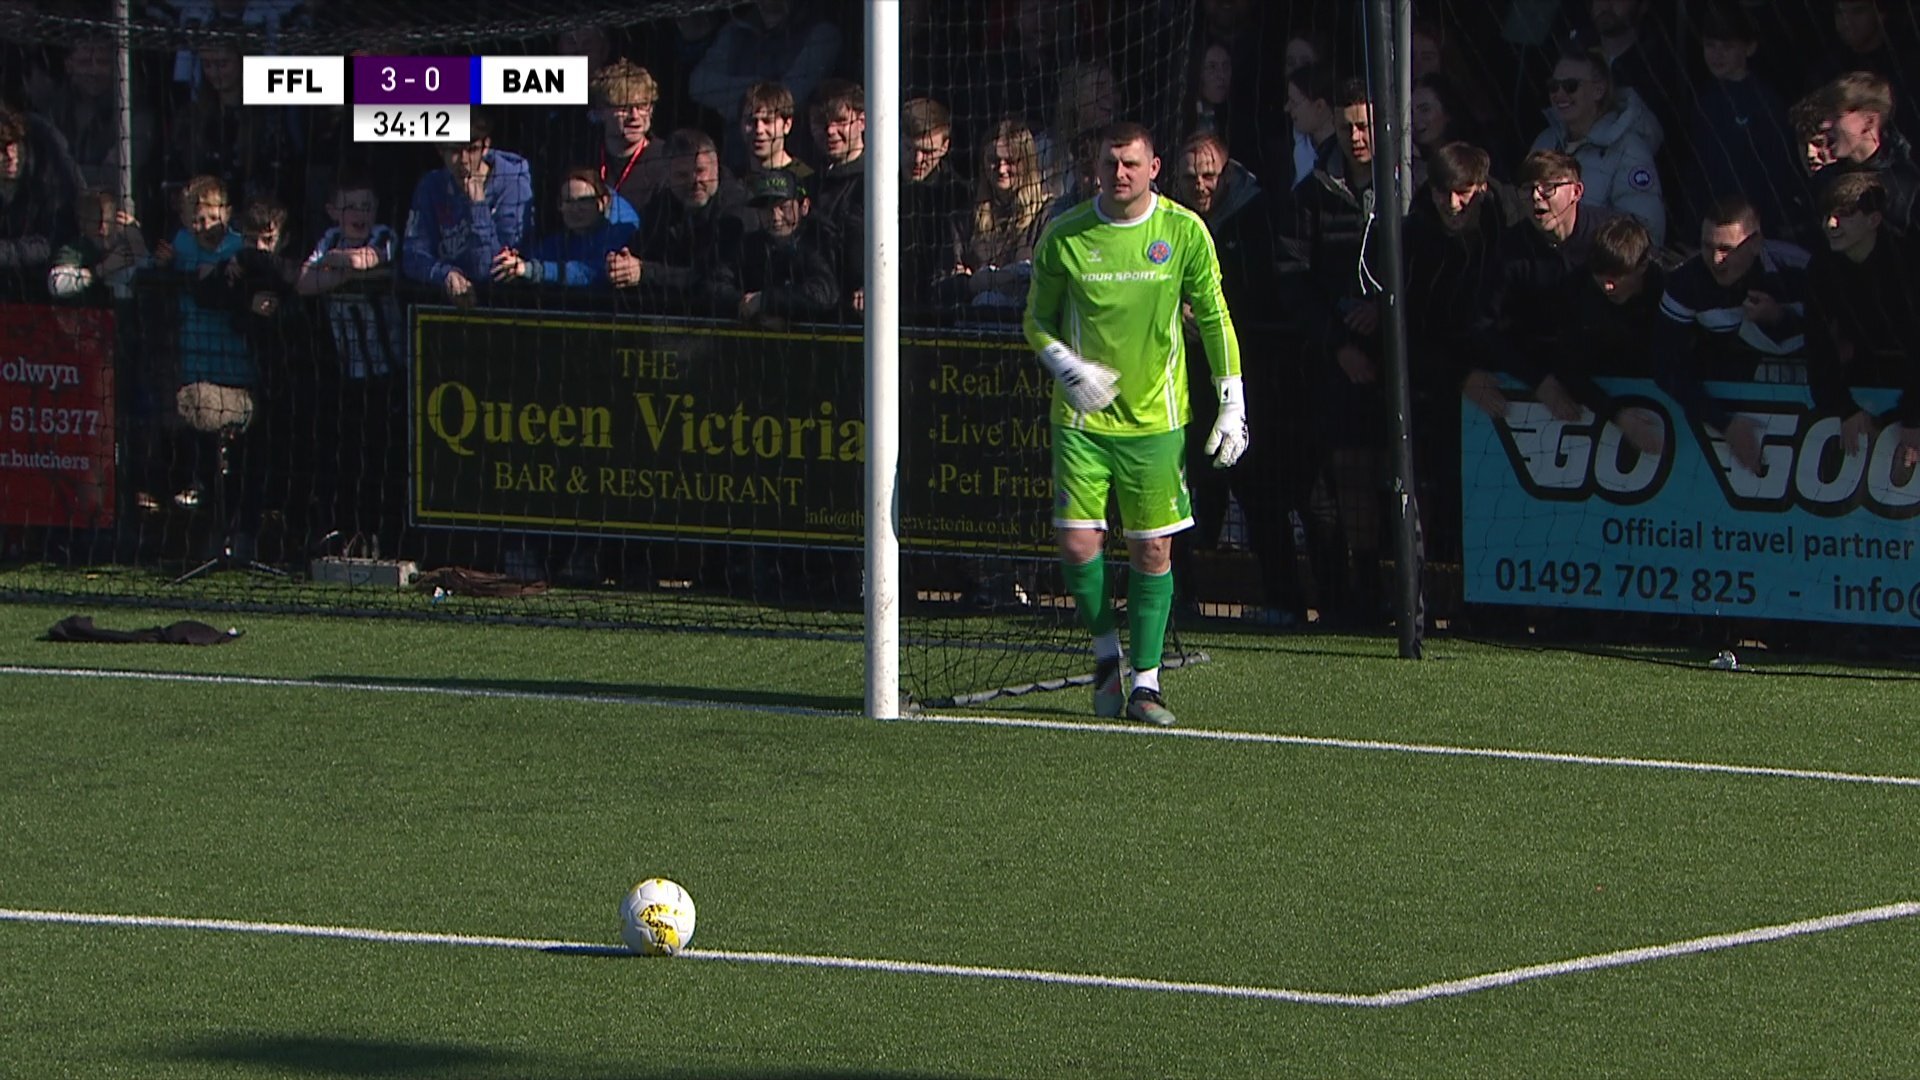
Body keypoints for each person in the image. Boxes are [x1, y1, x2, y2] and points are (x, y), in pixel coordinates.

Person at [1022, 120, 1245, 727]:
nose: (1120, 173)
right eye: (1109, 163)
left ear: (1154, 168)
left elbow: (1215, 316)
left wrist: (1232, 402)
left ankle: (1146, 683)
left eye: (1131, 163)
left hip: (1157, 422)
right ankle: (1104, 653)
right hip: (1082, 421)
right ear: (1094, 168)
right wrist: (1067, 367)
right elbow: (1036, 321)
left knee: (1152, 550)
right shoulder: (1065, 234)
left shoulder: (1183, 230)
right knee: (1077, 543)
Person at [1170, 130, 1310, 627]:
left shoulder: (1256, 217)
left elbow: (1268, 291)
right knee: (1180, 488)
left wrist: (1211, 319)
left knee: (1258, 489)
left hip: (1248, 379)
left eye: (1209, 175)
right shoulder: (1168, 222)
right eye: (1190, 177)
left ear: (1227, 173)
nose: (1200, 185)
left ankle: (1284, 601)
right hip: (1184, 382)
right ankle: (1178, 597)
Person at [1652, 195, 1811, 472]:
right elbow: (1666, 363)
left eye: (1726, 249)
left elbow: (1840, 342)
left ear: (1755, 243)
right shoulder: (1686, 282)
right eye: (1707, 246)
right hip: (1730, 398)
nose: (1716, 260)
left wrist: (1780, 319)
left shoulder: (1799, 269)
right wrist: (1723, 423)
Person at [1804, 172, 1920, 466]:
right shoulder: (1821, 269)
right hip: (1869, 371)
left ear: (1874, 220)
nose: (1831, 225)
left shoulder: (1909, 262)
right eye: (1827, 216)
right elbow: (1817, 347)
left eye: (1844, 215)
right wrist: (1845, 409)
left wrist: (1914, 417)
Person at [1530, 47, 1667, 244]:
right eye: (1553, 86)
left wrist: (1576, 225)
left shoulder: (1630, 150)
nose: (1559, 94)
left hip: (1598, 260)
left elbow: (1646, 231)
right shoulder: (1545, 141)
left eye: (1570, 86)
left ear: (1598, 90)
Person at [399, 113, 533, 308]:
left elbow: (491, 270)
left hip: (506, 303)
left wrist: (478, 206)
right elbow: (412, 256)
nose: (463, 160)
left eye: (471, 149)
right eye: (454, 150)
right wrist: (445, 274)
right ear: (440, 149)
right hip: (446, 302)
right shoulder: (430, 186)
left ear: (485, 146)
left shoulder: (514, 182)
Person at [942, 119, 1048, 311]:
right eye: (993, 160)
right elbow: (946, 285)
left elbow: (1042, 281)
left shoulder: (1046, 215)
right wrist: (975, 283)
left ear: (1027, 163)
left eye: (1011, 161)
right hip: (973, 322)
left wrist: (983, 280)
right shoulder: (965, 217)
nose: (1001, 169)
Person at [491, 169, 639, 288]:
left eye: (584, 200)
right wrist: (516, 261)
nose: (575, 209)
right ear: (560, 206)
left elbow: (590, 272)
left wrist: (530, 269)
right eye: (568, 201)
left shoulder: (619, 236)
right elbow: (535, 258)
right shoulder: (559, 241)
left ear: (603, 202)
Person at [737, 168, 837, 324]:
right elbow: (718, 285)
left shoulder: (818, 242)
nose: (776, 217)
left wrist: (766, 301)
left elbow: (824, 294)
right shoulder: (749, 245)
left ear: (804, 206)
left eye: (784, 207)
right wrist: (750, 309)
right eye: (767, 209)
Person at [588, 60, 671, 213]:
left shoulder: (667, 159)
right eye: (624, 108)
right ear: (600, 111)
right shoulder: (584, 155)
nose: (634, 116)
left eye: (642, 106)